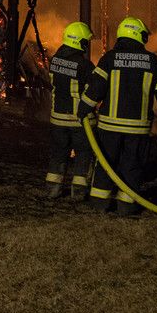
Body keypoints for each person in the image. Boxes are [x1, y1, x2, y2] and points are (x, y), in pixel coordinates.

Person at [83, 16, 157, 216]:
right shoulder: (153, 62)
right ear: (137, 35)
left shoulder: (109, 59)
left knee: (105, 165)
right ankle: (126, 206)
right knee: (132, 166)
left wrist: (84, 108)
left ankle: (99, 203)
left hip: (109, 127)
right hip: (138, 129)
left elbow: (96, 88)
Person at [45, 21, 97, 200]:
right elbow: (93, 90)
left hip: (57, 118)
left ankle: (52, 189)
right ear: (79, 41)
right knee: (84, 154)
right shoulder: (85, 65)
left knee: (58, 153)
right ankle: (78, 192)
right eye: (85, 41)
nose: (86, 45)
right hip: (80, 121)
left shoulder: (54, 60)